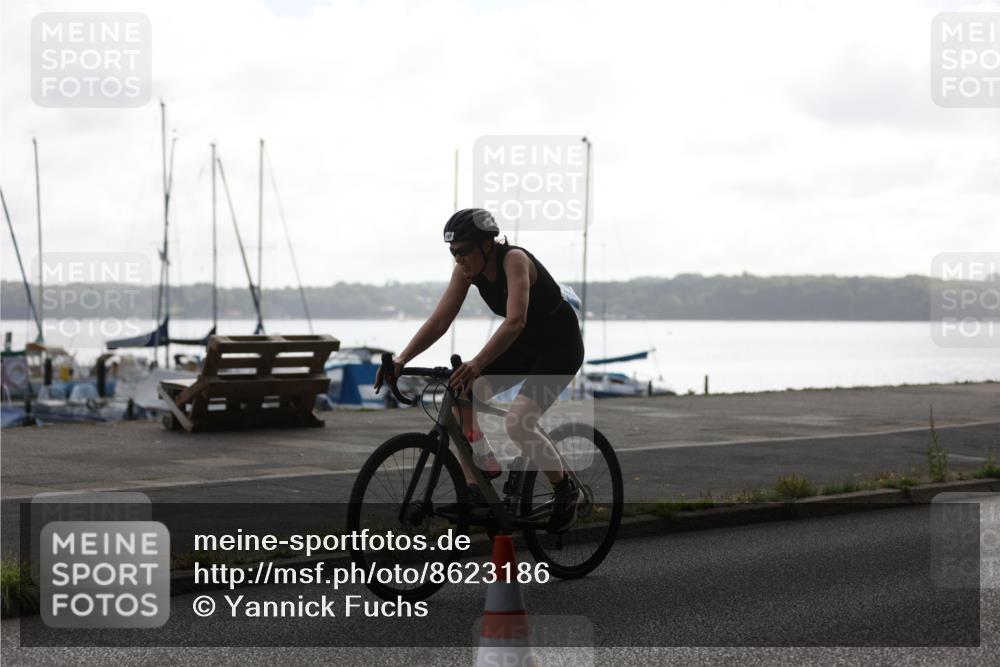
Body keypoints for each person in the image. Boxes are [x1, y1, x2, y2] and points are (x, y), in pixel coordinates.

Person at [376, 208, 585, 533]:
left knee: (518, 423)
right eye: (453, 252)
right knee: (460, 394)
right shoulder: (466, 271)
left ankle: (565, 490)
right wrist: (402, 359)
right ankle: (480, 475)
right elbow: (439, 320)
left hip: (559, 347)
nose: (458, 259)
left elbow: (515, 321)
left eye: (464, 251)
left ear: (487, 245)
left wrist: (476, 363)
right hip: (524, 346)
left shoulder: (514, 260)